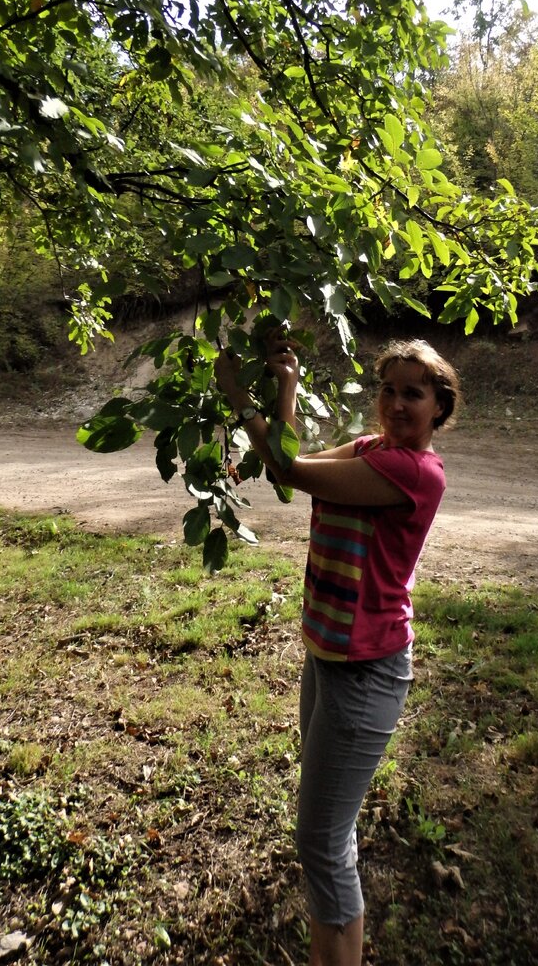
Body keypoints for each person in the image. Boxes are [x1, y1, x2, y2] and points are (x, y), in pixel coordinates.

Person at [214, 331, 460, 966]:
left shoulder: (414, 472)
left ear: (439, 406)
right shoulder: (373, 449)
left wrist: (241, 399)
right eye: (388, 390)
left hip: (366, 671)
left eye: (414, 394)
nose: (397, 404)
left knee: (320, 844)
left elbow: (290, 471)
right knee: (330, 837)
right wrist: (286, 389)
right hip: (328, 657)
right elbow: (289, 464)